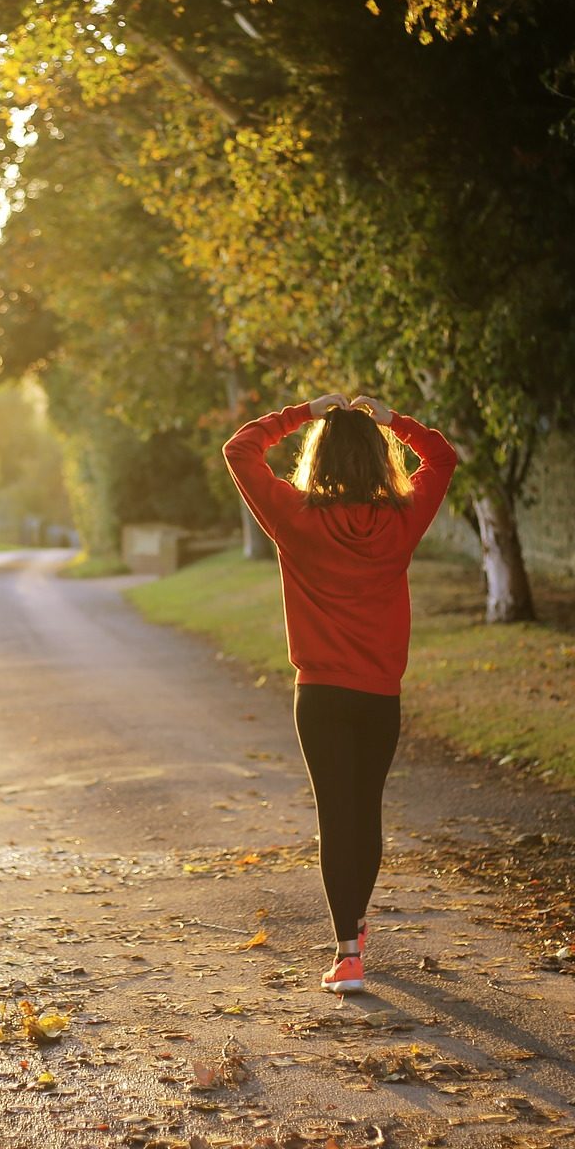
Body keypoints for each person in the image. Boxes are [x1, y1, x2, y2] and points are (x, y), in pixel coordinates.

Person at [222, 392, 458, 994]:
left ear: (318, 459)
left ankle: (347, 952)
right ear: (380, 461)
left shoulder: (295, 517)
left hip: (320, 696)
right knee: (366, 811)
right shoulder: (402, 519)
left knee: (336, 816)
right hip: (379, 695)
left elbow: (240, 449)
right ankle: (353, 927)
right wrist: (393, 421)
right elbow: (443, 456)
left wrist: (303, 412)